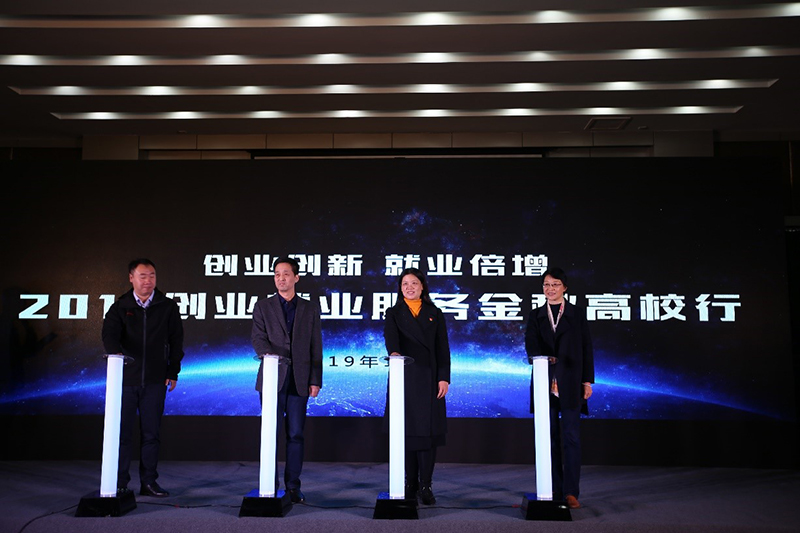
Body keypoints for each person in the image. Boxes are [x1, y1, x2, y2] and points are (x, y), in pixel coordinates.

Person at [102, 258, 184, 497]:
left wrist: (172, 371)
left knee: (151, 435)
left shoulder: (167, 306)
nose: (148, 281)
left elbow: (176, 340)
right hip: (125, 380)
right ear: (131, 278)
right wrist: (116, 355)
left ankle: (149, 482)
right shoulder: (120, 307)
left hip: (155, 380)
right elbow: (109, 335)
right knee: (122, 435)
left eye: (152, 276)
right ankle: (119, 482)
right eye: (142, 276)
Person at [251, 256, 323, 503]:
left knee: (295, 434)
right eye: (277, 274)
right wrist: (269, 356)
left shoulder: (309, 308)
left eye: (285, 274)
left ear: (296, 278)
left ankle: (293, 486)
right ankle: (269, 484)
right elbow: (258, 338)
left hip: (299, 380)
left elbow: (315, 345)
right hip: (272, 378)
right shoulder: (263, 306)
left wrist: (315, 379)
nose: (281, 278)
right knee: (270, 433)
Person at [524, 267, 594, 509]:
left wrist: (587, 380)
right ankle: (553, 487)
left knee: (571, 438)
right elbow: (530, 344)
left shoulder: (576, 313)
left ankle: (571, 492)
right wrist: (540, 358)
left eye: (555, 284)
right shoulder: (536, 315)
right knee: (549, 438)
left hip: (571, 381)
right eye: (546, 284)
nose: (550, 289)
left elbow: (586, 347)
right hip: (545, 381)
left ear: (564, 287)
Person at [383, 267, 451, 505]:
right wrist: (394, 354)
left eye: (414, 283)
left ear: (422, 286)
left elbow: (443, 348)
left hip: (430, 379)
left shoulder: (435, 313)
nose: (409, 287)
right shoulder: (393, 313)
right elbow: (391, 341)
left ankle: (426, 485)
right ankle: (410, 483)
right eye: (405, 284)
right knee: (407, 433)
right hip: (405, 378)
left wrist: (444, 377)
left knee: (427, 434)